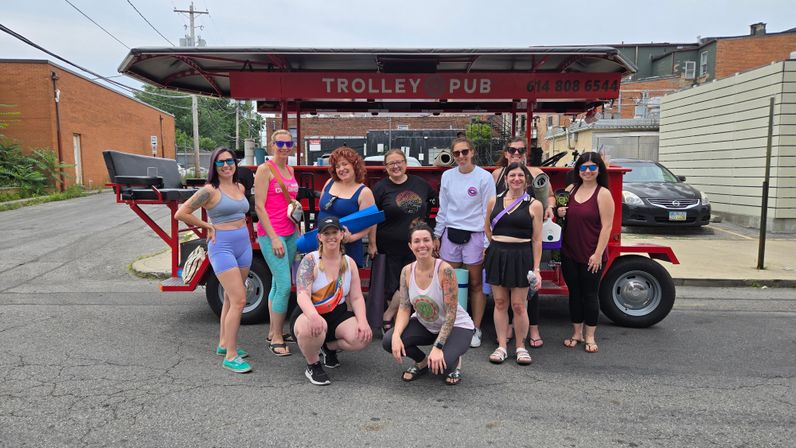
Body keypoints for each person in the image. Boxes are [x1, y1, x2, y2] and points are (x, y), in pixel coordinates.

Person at [175, 147, 252, 373]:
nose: (226, 165)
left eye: (230, 161)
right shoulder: (209, 190)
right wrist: (206, 225)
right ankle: (231, 355)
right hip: (223, 246)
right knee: (239, 300)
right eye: (221, 163)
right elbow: (181, 212)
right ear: (214, 166)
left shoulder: (240, 187)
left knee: (230, 297)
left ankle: (223, 344)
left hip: (243, 245)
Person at [382, 222, 475, 386]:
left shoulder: (445, 270)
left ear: (434, 243)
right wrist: (396, 336)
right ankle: (422, 361)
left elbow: (451, 313)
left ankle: (454, 358)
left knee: (442, 367)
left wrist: (438, 346)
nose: (422, 245)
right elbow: (404, 307)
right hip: (426, 324)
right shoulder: (407, 271)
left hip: (456, 325)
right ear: (410, 246)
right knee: (389, 341)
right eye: (417, 241)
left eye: (426, 240)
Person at [292, 216, 373, 385]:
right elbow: (302, 294)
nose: (331, 236)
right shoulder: (310, 261)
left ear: (342, 234)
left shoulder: (349, 263)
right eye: (326, 233)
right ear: (319, 237)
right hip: (310, 313)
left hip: (337, 312)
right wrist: (313, 317)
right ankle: (313, 364)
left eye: (334, 232)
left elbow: (357, 297)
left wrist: (363, 321)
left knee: (362, 338)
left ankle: (329, 347)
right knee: (312, 329)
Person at [491, 137, 555, 348]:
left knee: (528, 290)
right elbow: (493, 207)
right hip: (503, 240)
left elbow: (551, 197)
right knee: (504, 292)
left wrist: (549, 207)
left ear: (526, 152)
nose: (516, 153)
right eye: (512, 150)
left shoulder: (536, 173)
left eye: (521, 150)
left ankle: (533, 327)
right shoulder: (497, 174)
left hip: (527, 237)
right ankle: (509, 325)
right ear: (506, 152)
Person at [433, 137, 495, 348]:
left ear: (473, 151)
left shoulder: (484, 177)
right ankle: (451, 326)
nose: (461, 156)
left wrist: (487, 242)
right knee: (449, 284)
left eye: (465, 152)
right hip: (451, 233)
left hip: (475, 235)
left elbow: (489, 211)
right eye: (457, 153)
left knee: (476, 284)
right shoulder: (447, 176)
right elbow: (444, 208)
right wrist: (437, 235)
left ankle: (475, 328)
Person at [369, 149, 436, 333]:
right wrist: (372, 243)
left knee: (409, 282)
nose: (396, 166)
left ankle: (388, 316)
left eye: (399, 162)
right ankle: (397, 321)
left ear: (406, 163)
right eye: (391, 163)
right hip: (388, 244)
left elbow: (433, 203)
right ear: (386, 168)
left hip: (416, 245)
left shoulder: (421, 184)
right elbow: (373, 218)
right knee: (392, 285)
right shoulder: (381, 188)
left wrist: (431, 231)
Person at [484, 163, 543, 365]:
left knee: (519, 305)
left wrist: (536, 268)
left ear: (526, 179)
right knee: (500, 303)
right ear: (506, 179)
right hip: (498, 254)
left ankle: (520, 347)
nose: (516, 179)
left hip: (522, 256)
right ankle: (501, 346)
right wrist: (498, 248)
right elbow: (487, 229)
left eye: (520, 175)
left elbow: (537, 240)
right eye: (512, 175)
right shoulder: (494, 201)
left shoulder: (534, 204)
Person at [556, 152, 614, 354]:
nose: (588, 171)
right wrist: (558, 212)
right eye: (583, 167)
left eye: (592, 167)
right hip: (570, 251)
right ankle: (576, 333)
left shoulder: (603, 193)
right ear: (578, 170)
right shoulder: (571, 189)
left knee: (590, 295)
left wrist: (598, 254)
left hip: (592, 254)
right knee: (574, 294)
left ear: (599, 170)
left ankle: (590, 336)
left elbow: (607, 227)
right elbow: (559, 211)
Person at [254, 129, 300, 357]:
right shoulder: (265, 170)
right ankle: (278, 337)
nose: (284, 147)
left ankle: (273, 331)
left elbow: (290, 201)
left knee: (275, 284)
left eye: (288, 143)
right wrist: (273, 238)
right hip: (272, 234)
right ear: (272, 144)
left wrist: (297, 228)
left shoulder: (289, 169)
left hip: (290, 232)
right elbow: (259, 206)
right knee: (284, 284)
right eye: (279, 143)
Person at [317, 147, 375, 268]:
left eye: (345, 164)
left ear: (355, 165)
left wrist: (351, 238)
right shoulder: (329, 182)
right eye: (337, 166)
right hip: (323, 244)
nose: (341, 169)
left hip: (347, 247)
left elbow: (369, 224)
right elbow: (321, 208)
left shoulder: (364, 192)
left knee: (344, 285)